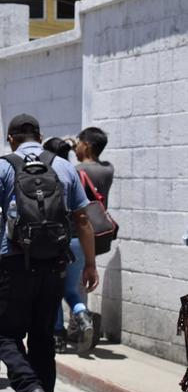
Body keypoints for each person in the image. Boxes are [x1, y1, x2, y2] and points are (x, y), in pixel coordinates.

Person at [0, 114, 98, 392]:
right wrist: (91, 264)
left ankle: (30, 390)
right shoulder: (65, 166)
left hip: (15, 261)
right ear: (39, 137)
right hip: (54, 265)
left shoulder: (4, 165)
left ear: (11, 138)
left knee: (6, 334)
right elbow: (83, 219)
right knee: (43, 339)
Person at [57, 127, 114, 354]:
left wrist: (66, 148)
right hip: (96, 234)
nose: (77, 146)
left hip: (76, 231)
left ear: (87, 145)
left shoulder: (75, 171)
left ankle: (67, 329)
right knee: (81, 282)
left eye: (80, 143)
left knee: (63, 286)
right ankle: (81, 322)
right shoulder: (108, 170)